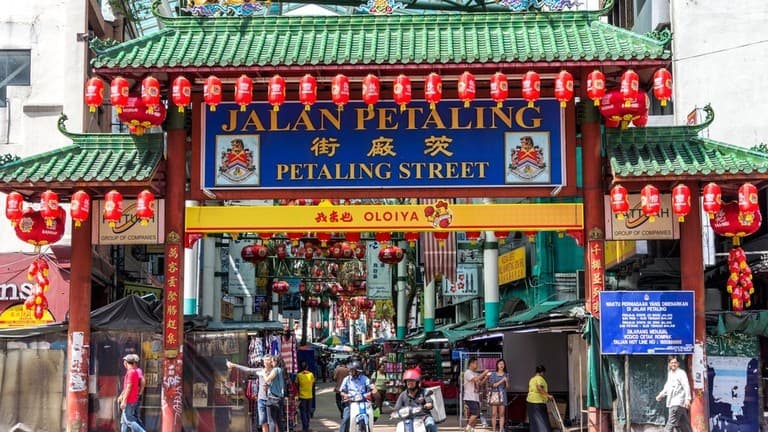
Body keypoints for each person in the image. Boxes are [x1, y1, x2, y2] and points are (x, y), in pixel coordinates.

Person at [228, 354, 283, 432]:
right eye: (265, 360)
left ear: (271, 361)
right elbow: (248, 370)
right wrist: (234, 365)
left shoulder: (275, 371)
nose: (265, 361)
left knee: (273, 422)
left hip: (271, 400)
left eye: (267, 360)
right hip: (261, 400)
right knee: (263, 422)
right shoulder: (260, 370)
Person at [655, 356, 693, 432]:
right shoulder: (671, 374)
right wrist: (661, 395)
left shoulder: (681, 373)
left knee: (670, 424)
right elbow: (667, 387)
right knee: (685, 424)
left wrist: (688, 399)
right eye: (672, 363)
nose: (673, 364)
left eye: (675, 363)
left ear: (678, 364)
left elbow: (686, 386)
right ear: (669, 364)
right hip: (676, 403)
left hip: (677, 402)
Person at [339, 360, 377, 432]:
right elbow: (342, 392)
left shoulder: (364, 378)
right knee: (346, 418)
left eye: (352, 370)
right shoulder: (347, 379)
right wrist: (346, 395)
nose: (350, 371)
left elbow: (372, 386)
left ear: (357, 371)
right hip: (350, 402)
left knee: (372, 415)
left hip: (363, 401)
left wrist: (373, 390)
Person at [117, 354, 147, 432]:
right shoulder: (133, 372)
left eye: (124, 361)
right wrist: (121, 395)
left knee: (129, 420)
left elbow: (129, 387)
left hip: (130, 400)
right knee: (124, 422)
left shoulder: (131, 372)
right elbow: (126, 387)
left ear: (126, 362)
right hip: (131, 399)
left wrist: (124, 400)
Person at [463, 358, 490, 432]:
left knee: (475, 414)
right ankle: (467, 428)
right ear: (471, 364)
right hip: (469, 397)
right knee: (476, 413)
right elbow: (475, 379)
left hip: (475, 397)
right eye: (475, 363)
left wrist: (485, 378)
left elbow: (480, 383)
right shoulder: (467, 372)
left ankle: (472, 429)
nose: (477, 365)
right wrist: (484, 373)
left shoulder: (475, 373)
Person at [527, 365, 553, 432]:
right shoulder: (540, 378)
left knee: (534, 421)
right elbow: (539, 388)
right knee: (542, 421)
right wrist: (548, 396)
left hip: (530, 402)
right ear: (542, 372)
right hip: (538, 402)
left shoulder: (532, 379)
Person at [488, 359, 510, 432]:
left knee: (502, 414)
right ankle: (494, 430)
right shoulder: (493, 374)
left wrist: (506, 381)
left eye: (503, 364)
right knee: (494, 414)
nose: (501, 365)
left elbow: (507, 387)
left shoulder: (506, 374)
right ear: (497, 365)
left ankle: (501, 429)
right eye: (500, 364)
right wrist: (502, 380)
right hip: (495, 394)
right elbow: (493, 385)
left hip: (503, 395)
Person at [296, 361, 316, 432]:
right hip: (309, 396)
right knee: (307, 411)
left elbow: (297, 385)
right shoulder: (311, 374)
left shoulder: (299, 375)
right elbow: (313, 384)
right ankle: (306, 426)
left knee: (303, 412)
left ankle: (305, 427)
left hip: (302, 397)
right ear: (307, 367)